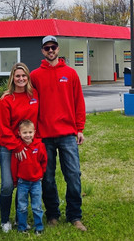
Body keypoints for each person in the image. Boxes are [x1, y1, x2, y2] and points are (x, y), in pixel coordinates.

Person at [30, 35, 87, 232]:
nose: (51, 50)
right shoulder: (35, 76)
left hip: (67, 135)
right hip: (44, 136)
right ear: (42, 51)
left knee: (73, 175)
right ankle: (52, 214)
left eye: (53, 47)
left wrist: (80, 128)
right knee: (47, 177)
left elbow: (79, 102)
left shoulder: (70, 74)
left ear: (58, 49)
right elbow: (29, 102)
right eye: (47, 48)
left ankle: (75, 216)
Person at [0, 62, 39, 233]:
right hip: (9, 147)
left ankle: (19, 219)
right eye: (17, 76)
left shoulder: (34, 95)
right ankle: (4, 220)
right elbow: (4, 128)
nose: (21, 79)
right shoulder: (6, 100)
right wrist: (17, 146)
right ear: (12, 78)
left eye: (24, 76)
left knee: (22, 183)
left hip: (28, 146)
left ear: (28, 77)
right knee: (8, 184)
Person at [11, 119, 47, 234]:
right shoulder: (18, 148)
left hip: (36, 182)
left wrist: (42, 174)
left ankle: (39, 227)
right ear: (19, 133)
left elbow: (44, 161)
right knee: (22, 206)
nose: (28, 135)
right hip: (23, 182)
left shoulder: (39, 146)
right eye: (25, 133)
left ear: (34, 132)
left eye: (30, 132)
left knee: (37, 206)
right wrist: (15, 180)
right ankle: (21, 227)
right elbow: (14, 165)